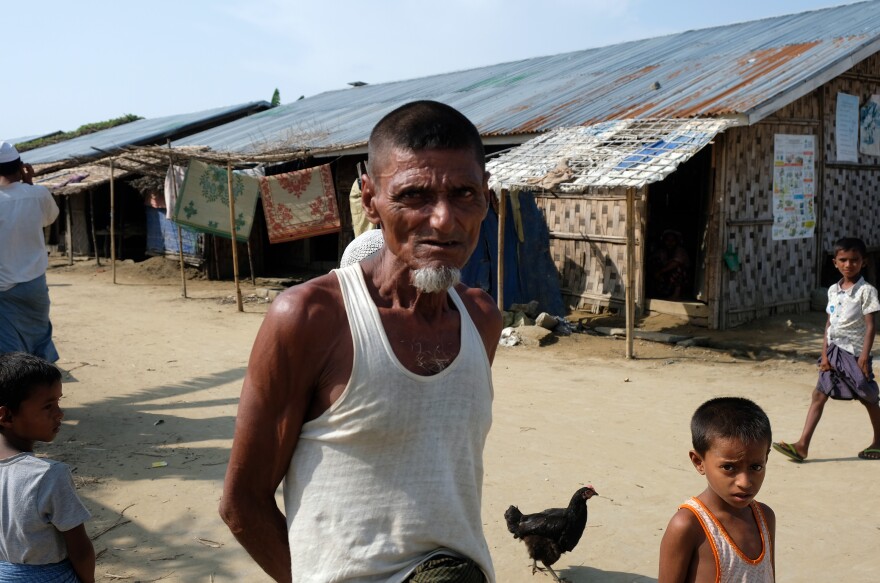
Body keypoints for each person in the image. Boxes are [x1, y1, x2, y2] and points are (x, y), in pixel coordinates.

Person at [220, 101, 502, 583]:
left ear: (485, 198)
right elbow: (242, 504)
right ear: (370, 199)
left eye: (463, 194)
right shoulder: (311, 317)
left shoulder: (481, 319)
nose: (443, 219)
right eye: (413, 195)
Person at [773, 237, 880, 462]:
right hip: (833, 351)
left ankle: (878, 441)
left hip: (854, 353)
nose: (848, 265)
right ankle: (802, 446)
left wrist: (863, 357)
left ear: (864, 262)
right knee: (819, 395)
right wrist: (824, 354)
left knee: (867, 397)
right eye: (843, 260)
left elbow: (871, 326)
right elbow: (829, 324)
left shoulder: (867, 291)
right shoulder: (833, 290)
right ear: (835, 262)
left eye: (854, 260)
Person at [658, 397, 775, 583]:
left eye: (756, 467)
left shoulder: (765, 518)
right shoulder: (688, 525)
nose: (744, 482)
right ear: (699, 462)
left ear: (766, 458)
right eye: (729, 468)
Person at [0, 352, 94, 582]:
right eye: (48, 406)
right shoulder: (48, 475)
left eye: (59, 402)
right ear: (7, 415)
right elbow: (79, 549)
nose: (60, 414)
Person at [0, 142, 60, 362]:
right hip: (35, 284)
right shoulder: (39, 194)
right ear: (22, 166)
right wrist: (30, 184)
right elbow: (48, 219)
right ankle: (44, 388)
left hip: (3, 287)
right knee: (39, 338)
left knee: (9, 349)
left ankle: (18, 392)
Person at [649, 229, 690, 300]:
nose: (670, 243)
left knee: (678, 268)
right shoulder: (663, 252)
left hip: (683, 283)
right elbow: (652, 259)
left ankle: (676, 294)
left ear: (677, 241)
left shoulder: (680, 251)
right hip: (667, 283)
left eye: (673, 240)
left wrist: (660, 272)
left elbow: (675, 264)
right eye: (667, 240)